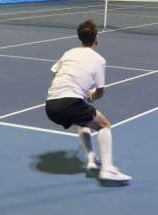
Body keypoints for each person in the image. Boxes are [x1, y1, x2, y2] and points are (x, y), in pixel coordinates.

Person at [45, 20, 132, 183]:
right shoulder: (99, 60)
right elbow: (100, 91)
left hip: (50, 105)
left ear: (80, 38)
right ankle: (107, 169)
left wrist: (80, 93)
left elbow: (58, 74)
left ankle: (92, 161)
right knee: (104, 125)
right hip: (70, 102)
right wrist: (90, 96)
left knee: (83, 122)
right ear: (96, 37)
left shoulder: (68, 53)